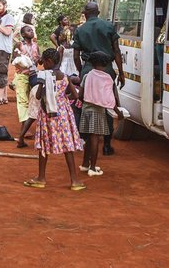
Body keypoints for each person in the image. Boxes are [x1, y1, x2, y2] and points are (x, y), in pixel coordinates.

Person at [23, 49, 86, 191]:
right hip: (63, 115)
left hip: (48, 115)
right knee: (67, 145)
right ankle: (74, 180)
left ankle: (41, 178)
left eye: (44, 62)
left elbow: (39, 96)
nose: (42, 65)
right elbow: (75, 96)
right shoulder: (65, 76)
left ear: (49, 61)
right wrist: (62, 99)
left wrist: (42, 86)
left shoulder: (44, 76)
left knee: (44, 146)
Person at [73, 2, 126, 156]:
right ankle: (107, 145)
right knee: (108, 103)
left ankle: (86, 140)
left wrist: (82, 71)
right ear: (98, 12)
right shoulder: (108, 26)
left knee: (85, 103)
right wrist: (121, 72)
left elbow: (76, 56)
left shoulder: (80, 30)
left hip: (88, 68)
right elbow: (116, 50)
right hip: (106, 68)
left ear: (85, 13)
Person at [78, 51, 123, 176]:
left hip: (86, 110)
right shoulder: (107, 78)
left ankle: (85, 164)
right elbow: (110, 98)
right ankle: (93, 167)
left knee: (89, 138)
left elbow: (80, 95)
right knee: (95, 139)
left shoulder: (87, 76)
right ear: (106, 63)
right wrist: (119, 113)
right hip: (98, 111)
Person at [12, 25, 39, 142]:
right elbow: (14, 60)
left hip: (33, 75)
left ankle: (25, 128)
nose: (31, 31)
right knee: (23, 101)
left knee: (31, 99)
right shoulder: (19, 45)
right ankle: (24, 129)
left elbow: (38, 60)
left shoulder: (35, 46)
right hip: (22, 76)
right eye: (28, 30)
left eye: (32, 30)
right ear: (23, 35)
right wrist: (23, 62)